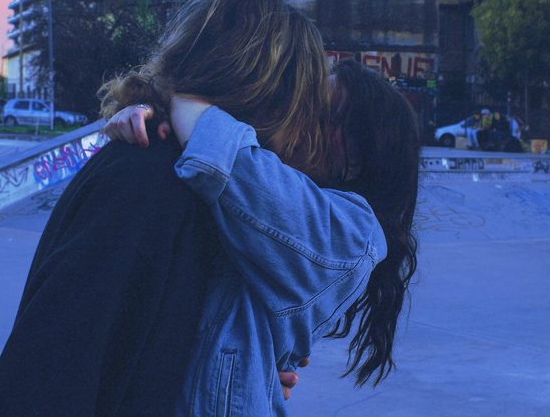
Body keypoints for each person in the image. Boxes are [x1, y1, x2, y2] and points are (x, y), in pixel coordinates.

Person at [0, 0, 332, 415]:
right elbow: (47, 374)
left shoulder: (204, 194)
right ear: (267, 95)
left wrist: (247, 366)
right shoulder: (148, 181)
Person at [105, 58, 420, 413]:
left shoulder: (353, 233)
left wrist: (168, 100)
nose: (298, 113)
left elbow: (219, 159)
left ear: (362, 154)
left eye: (322, 112)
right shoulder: (256, 191)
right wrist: (148, 114)